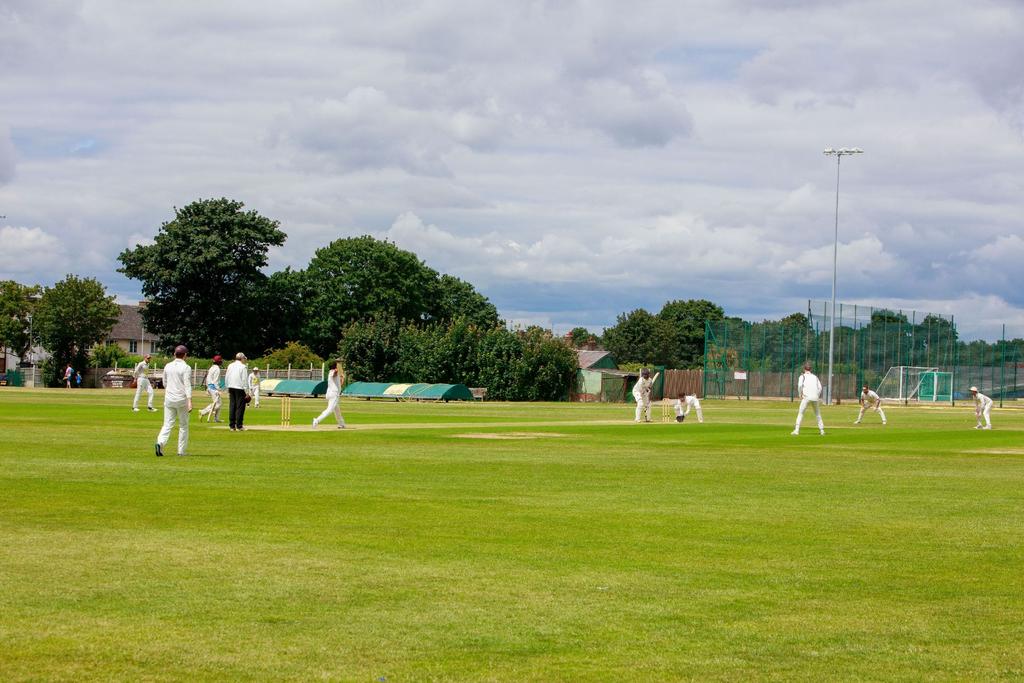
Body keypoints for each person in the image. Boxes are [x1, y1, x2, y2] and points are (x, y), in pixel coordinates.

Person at [155, 345, 192, 457]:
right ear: (185, 355)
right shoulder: (186, 368)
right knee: (183, 426)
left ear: (174, 354)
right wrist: (190, 400)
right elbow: (187, 385)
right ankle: (181, 451)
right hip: (181, 399)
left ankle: (160, 443)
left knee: (167, 424)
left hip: (169, 399)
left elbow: (164, 382)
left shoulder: (168, 366)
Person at [792, 363, 825, 436]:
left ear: (804, 369)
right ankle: (822, 430)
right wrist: (817, 395)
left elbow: (800, 386)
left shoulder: (802, 376)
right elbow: (820, 388)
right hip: (815, 397)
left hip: (806, 397)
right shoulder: (815, 377)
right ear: (811, 369)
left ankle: (796, 430)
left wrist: (800, 394)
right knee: (818, 414)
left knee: (801, 413)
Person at [313, 361, 346, 429]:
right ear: (335, 367)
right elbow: (335, 373)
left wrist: (342, 378)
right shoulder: (332, 372)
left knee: (337, 410)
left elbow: (340, 384)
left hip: (331, 394)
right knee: (330, 410)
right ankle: (317, 420)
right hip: (334, 394)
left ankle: (341, 424)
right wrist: (338, 370)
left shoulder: (332, 373)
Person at [225, 352, 251, 431]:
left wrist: (227, 387)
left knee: (232, 406)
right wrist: (246, 392)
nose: (245, 360)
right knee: (240, 407)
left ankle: (232, 426)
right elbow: (244, 379)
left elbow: (227, 377)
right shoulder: (243, 367)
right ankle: (239, 426)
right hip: (240, 388)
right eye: (244, 359)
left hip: (231, 387)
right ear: (242, 358)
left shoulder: (230, 365)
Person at [198, 355, 223, 423]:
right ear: (219, 362)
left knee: (219, 403)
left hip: (210, 387)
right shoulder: (217, 369)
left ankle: (216, 419)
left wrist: (207, 388)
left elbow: (208, 379)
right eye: (221, 361)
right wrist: (218, 389)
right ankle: (203, 412)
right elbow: (215, 381)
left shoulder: (211, 368)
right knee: (218, 404)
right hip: (213, 388)